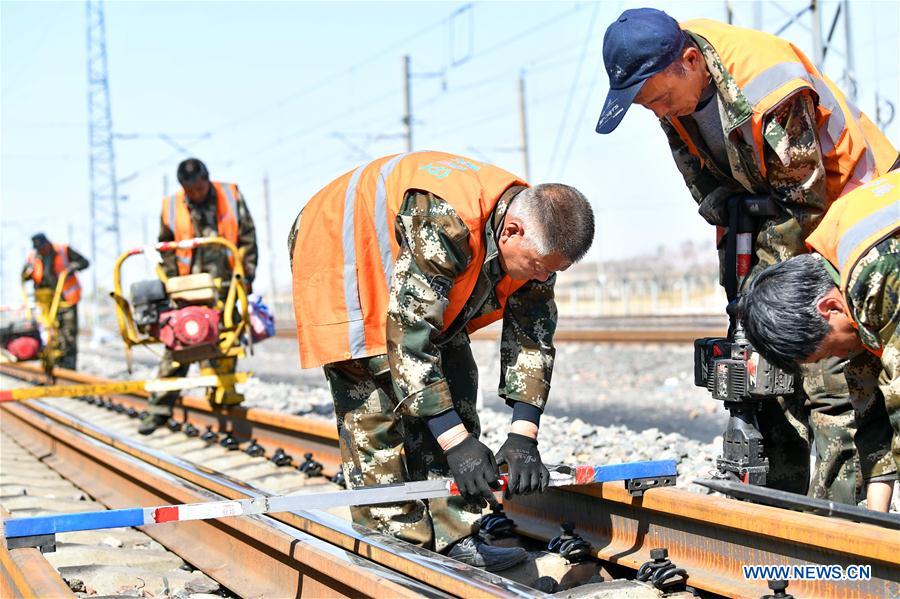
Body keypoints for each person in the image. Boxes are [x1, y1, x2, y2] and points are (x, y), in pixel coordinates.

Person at [595, 7, 899, 504]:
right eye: (648, 107)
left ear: (690, 62)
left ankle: (844, 514)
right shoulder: (669, 89)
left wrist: (761, 293)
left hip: (846, 216)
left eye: (660, 101)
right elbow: (708, 187)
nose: (659, 114)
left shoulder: (766, 87)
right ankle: (780, 497)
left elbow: (804, 200)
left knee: (830, 378)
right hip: (770, 225)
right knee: (764, 363)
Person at [289, 151, 594, 571]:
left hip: (410, 276)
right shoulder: (446, 218)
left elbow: (533, 336)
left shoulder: (539, 242)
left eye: (552, 271)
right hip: (343, 252)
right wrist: (456, 443)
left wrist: (524, 435)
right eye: (540, 268)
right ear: (511, 232)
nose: (542, 278)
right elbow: (409, 336)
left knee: (456, 380)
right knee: (375, 404)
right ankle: (393, 542)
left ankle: (455, 535)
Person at [738, 171, 899, 511]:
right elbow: (872, 413)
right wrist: (875, 518)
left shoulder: (877, 277)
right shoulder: (833, 257)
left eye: (834, 350)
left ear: (829, 308)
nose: (844, 356)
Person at [139, 158, 258, 435]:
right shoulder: (171, 206)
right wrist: (171, 284)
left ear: (207, 179)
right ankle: (158, 410)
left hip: (226, 285)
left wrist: (247, 277)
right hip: (188, 288)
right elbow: (166, 247)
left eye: (200, 187)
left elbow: (248, 239)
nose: (196, 193)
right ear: (183, 188)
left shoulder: (231, 196)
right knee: (180, 344)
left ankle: (224, 405)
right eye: (190, 190)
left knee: (226, 343)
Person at [21, 233, 89, 369]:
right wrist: (27, 273)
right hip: (45, 301)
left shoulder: (63, 250)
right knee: (48, 332)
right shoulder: (33, 257)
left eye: (42, 248)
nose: (40, 251)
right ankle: (51, 362)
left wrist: (72, 267)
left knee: (68, 333)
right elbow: (24, 275)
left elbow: (84, 262)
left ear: (47, 243)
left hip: (66, 299)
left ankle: (68, 366)